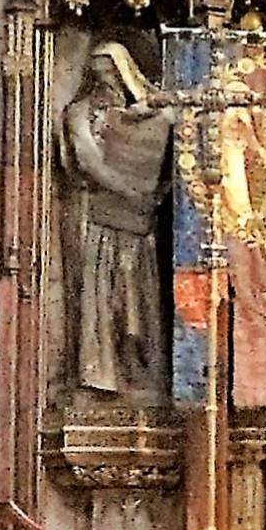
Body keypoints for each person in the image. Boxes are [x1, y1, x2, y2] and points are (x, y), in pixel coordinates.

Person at [60, 43, 176, 395]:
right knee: (103, 298)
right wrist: (130, 191)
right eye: (97, 74)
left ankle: (141, 372)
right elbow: (88, 161)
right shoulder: (79, 113)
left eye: (111, 74)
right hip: (97, 219)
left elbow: (177, 135)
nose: (105, 82)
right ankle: (102, 373)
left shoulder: (150, 112)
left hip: (140, 224)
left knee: (138, 299)